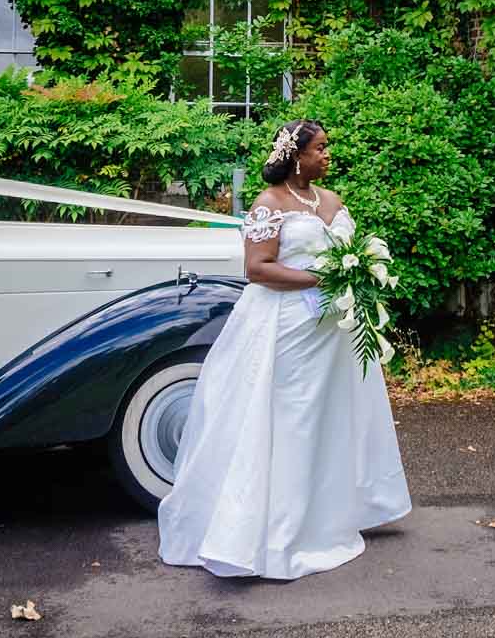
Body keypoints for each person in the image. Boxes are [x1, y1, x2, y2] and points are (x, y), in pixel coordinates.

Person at [159, 120, 412, 578]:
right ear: (297, 156)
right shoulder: (268, 205)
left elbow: (349, 253)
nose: (327, 155)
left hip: (332, 332)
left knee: (329, 420)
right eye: (320, 148)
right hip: (285, 330)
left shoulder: (331, 200)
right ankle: (273, 527)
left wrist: (359, 277)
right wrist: (327, 279)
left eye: (327, 146)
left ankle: (327, 515)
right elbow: (258, 269)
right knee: (288, 420)